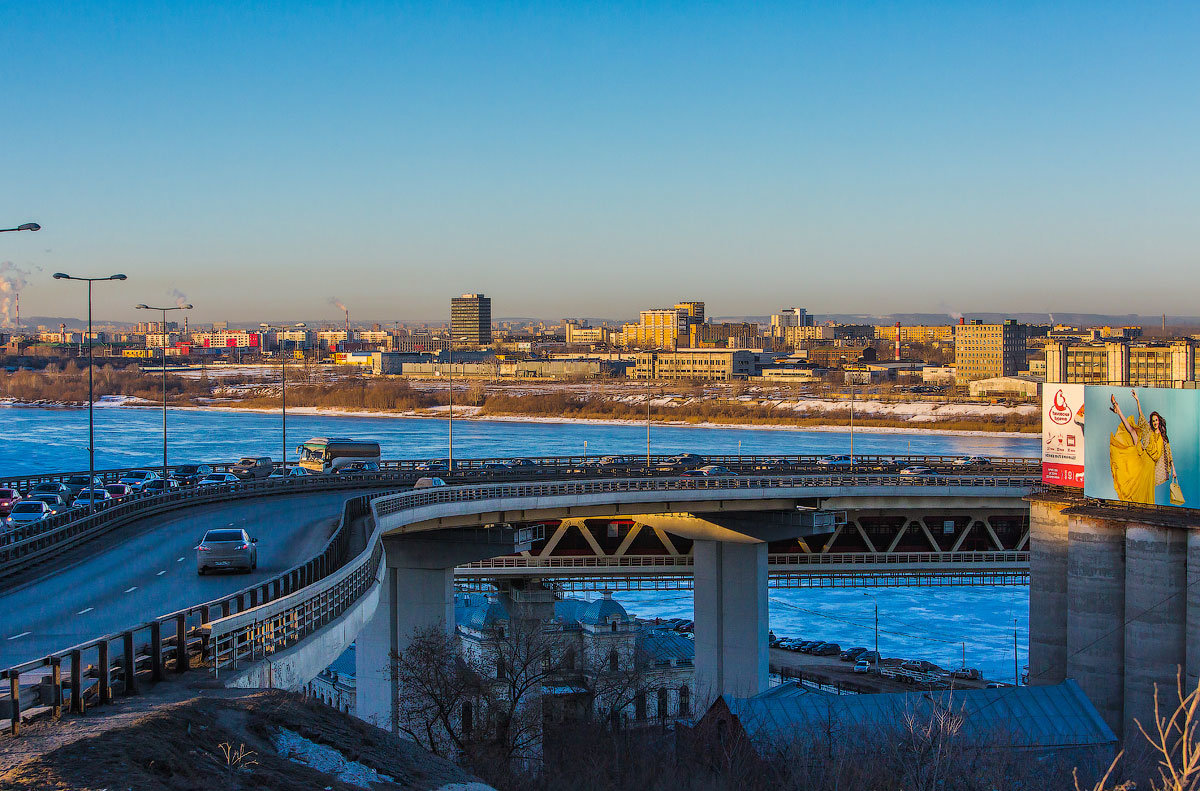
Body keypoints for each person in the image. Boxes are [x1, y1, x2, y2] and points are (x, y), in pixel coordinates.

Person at [1108, 390, 1175, 504]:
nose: (1155, 422)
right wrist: (1137, 401)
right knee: (1133, 431)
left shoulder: (1163, 437)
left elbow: (1169, 455)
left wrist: (1173, 471)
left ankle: (1117, 410)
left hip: (1150, 467)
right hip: (1143, 457)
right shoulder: (1150, 432)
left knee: (1144, 492)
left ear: (1159, 421)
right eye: (1153, 420)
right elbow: (1142, 417)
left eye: (1156, 420)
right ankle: (1118, 409)